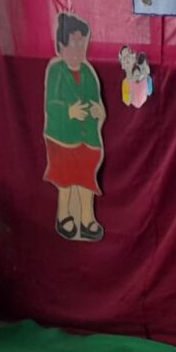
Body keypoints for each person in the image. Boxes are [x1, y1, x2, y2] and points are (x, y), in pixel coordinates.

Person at [43, 13, 106, 242]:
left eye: (82, 45)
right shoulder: (56, 71)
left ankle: (87, 218)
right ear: (61, 47)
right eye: (74, 44)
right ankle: (64, 215)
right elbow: (51, 105)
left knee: (86, 180)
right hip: (62, 139)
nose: (79, 50)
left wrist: (99, 111)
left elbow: (95, 101)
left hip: (87, 138)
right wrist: (69, 111)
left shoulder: (88, 72)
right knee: (66, 181)